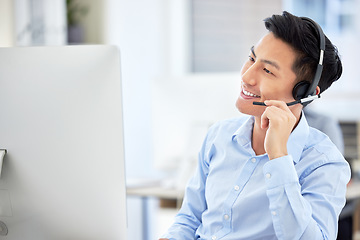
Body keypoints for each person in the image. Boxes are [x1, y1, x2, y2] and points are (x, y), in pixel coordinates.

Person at [160, 11, 351, 240]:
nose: (247, 76)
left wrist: (279, 157)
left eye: (267, 70)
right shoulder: (219, 136)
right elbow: (190, 218)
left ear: (305, 92)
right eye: (252, 58)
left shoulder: (324, 163)